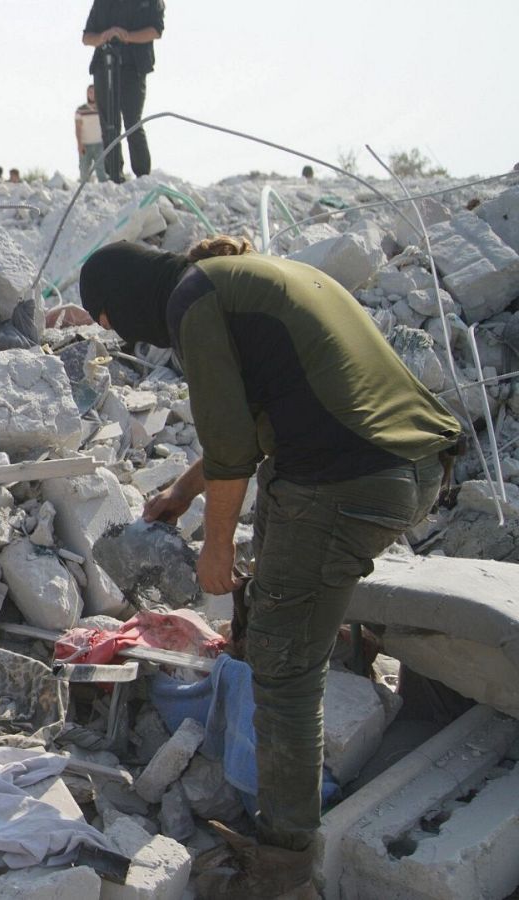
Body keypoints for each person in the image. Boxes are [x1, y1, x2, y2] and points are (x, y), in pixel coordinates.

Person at [79, 237, 461, 897]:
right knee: (279, 599)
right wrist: (182, 494)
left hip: (347, 482)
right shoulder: (253, 278)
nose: (132, 338)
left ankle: (282, 867)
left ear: (123, 299)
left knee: (287, 674)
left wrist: (216, 544)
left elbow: (232, 448)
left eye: (111, 322)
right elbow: (258, 423)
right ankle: (263, 749)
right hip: (410, 466)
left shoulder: (192, 300)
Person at [82, 0, 165, 182]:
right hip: (103, 65)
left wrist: (126, 36)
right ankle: (114, 175)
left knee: (132, 121)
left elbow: (155, 30)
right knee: (108, 123)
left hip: (133, 66)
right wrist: (104, 36)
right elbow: (87, 37)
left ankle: (142, 175)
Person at [75, 85, 106, 183]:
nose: (92, 95)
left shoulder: (102, 109)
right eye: (90, 92)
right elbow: (78, 128)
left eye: (94, 92)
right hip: (85, 144)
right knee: (84, 171)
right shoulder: (81, 110)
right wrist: (80, 144)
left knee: (101, 171)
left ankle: (104, 191)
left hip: (99, 144)